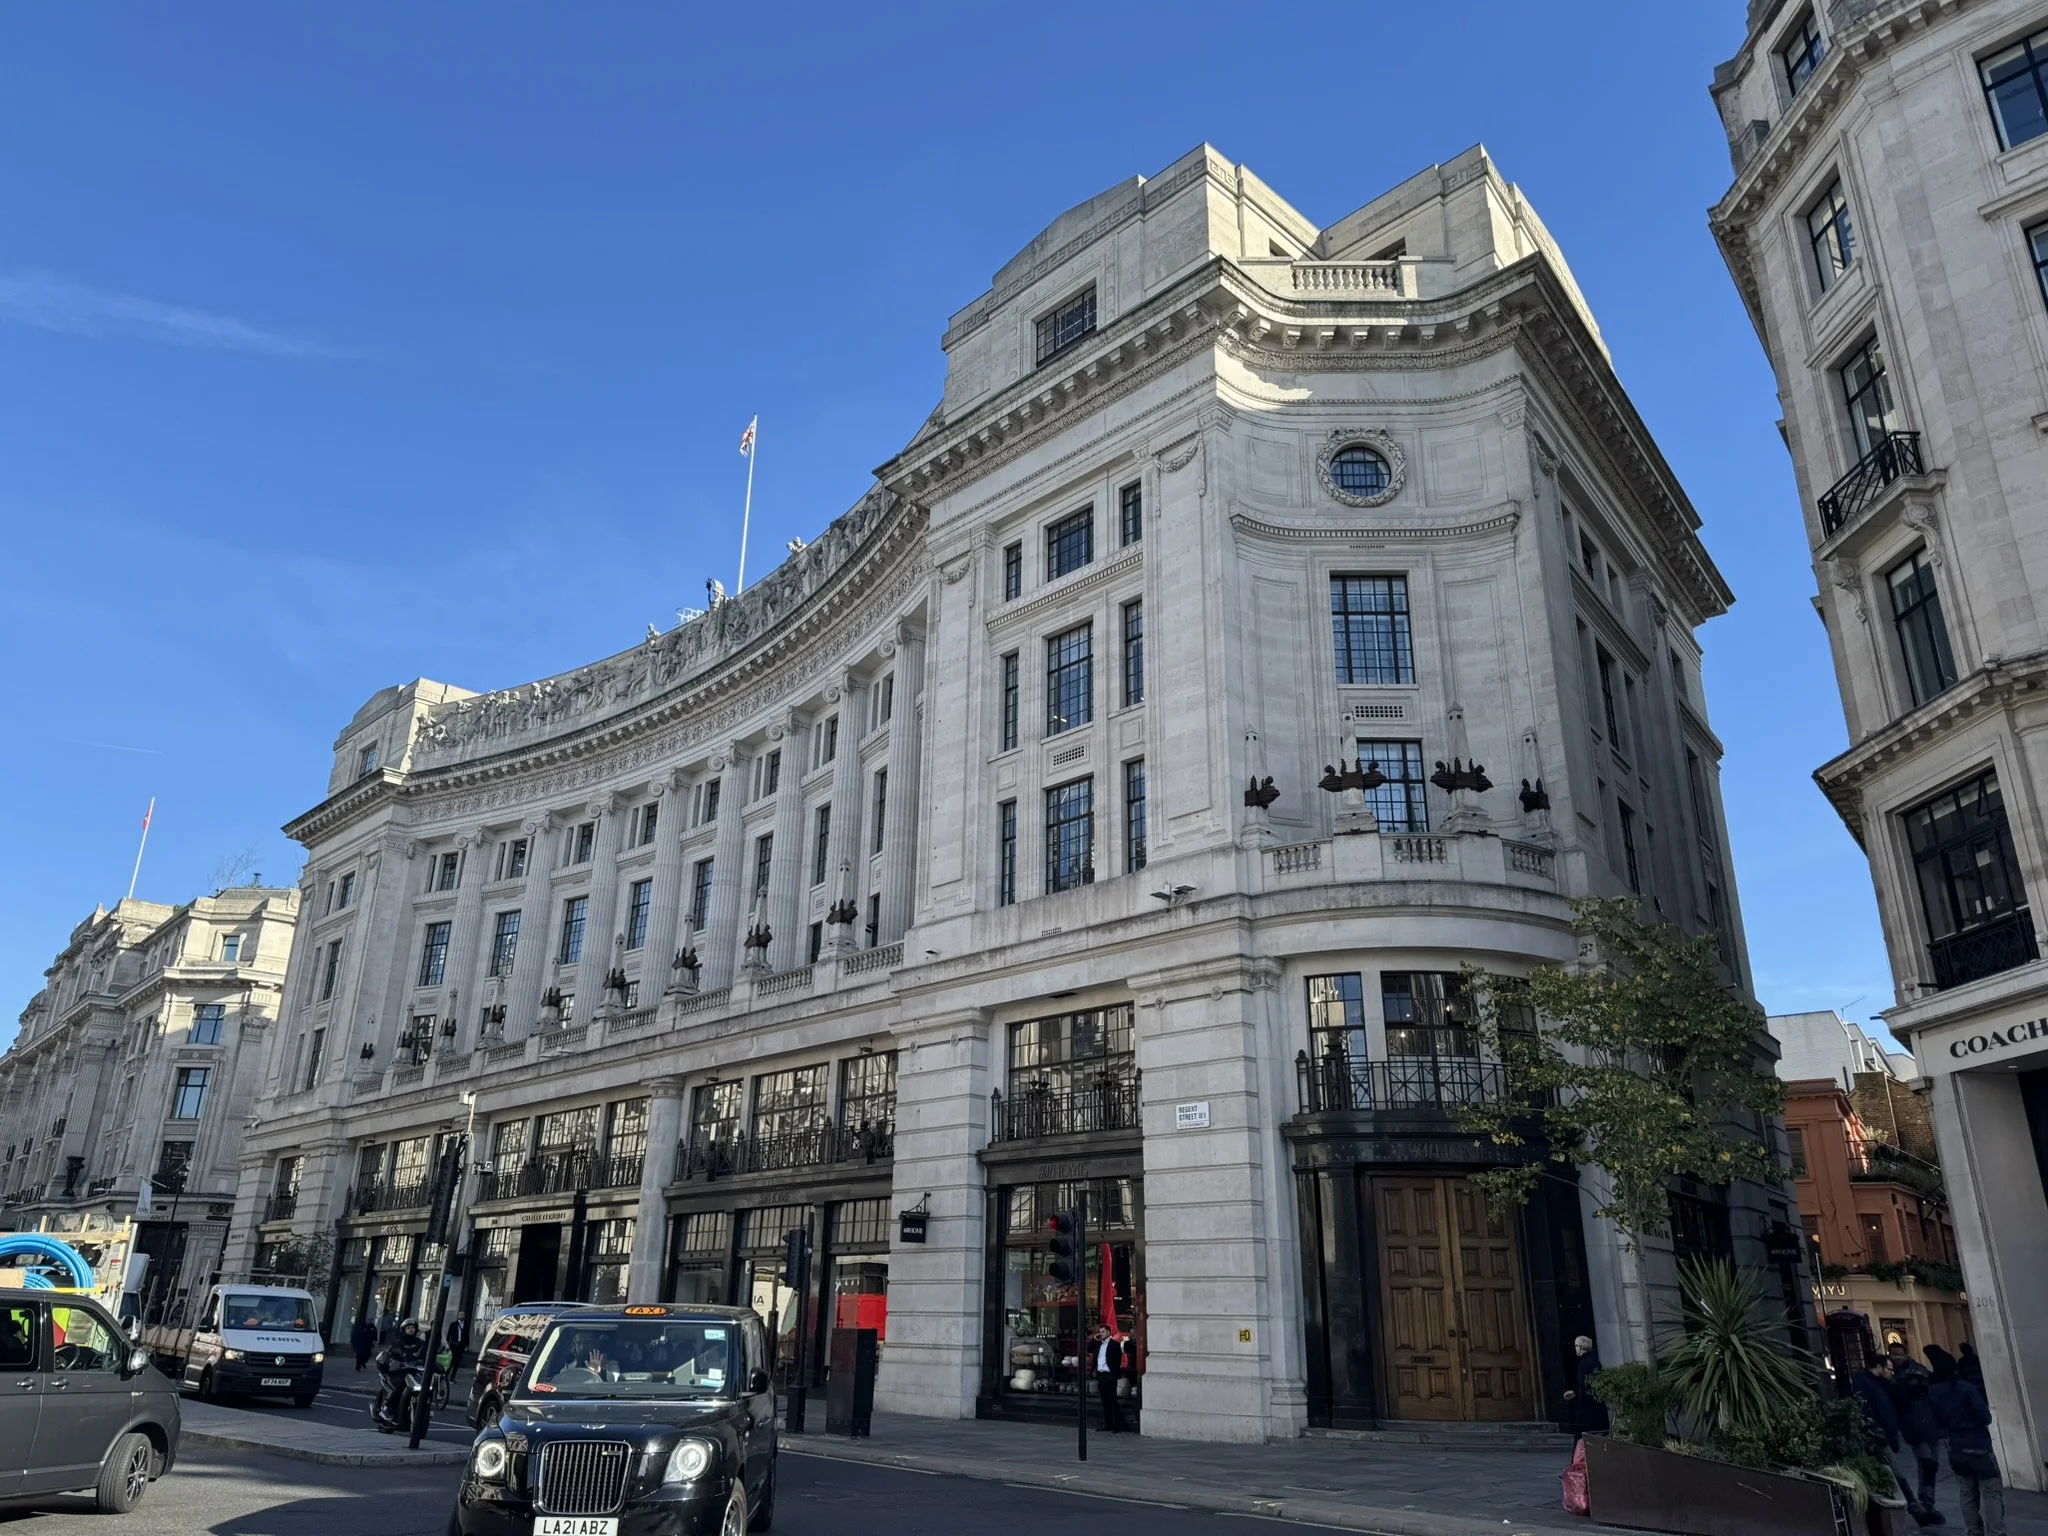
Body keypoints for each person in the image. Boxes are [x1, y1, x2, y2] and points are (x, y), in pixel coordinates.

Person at [1928, 1346, 2004, 1536]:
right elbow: (1985, 1417)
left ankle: (1973, 1531)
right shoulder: (1966, 1388)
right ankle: (1996, 1531)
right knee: (1991, 1492)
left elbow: (1936, 1422)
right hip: (1978, 1445)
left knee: (1967, 1493)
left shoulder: (1933, 1392)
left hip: (1956, 1448)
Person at [1889, 1342, 1944, 1525]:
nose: (1896, 1357)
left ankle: (1928, 1503)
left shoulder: (1917, 1371)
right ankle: (1925, 1503)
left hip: (1928, 1423)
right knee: (1926, 1463)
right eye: (1893, 1354)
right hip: (1913, 1426)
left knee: (1932, 1465)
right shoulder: (1893, 1375)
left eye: (1899, 1354)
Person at [376, 1319, 428, 1427]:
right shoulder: (398, 1342)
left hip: (415, 1371)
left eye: (413, 1328)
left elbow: (426, 1355)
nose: (411, 1330)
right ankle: (387, 1408)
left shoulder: (420, 1343)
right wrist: (399, 1360)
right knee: (401, 1385)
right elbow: (393, 1353)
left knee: (426, 1384)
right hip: (399, 1371)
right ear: (404, 1330)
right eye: (408, 1328)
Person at [1560, 1335, 1608, 1437]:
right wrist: (1575, 1392)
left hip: (1587, 1410)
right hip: (1597, 1407)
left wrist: (1577, 1394)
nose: (1575, 1349)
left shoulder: (1582, 1364)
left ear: (1579, 1347)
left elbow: (1584, 1384)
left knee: (1582, 1439)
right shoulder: (1595, 1361)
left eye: (1576, 1346)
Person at [1090, 1326, 1125, 1433]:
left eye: (1103, 1332)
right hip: (1101, 1374)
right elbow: (1089, 1349)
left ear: (1109, 1332)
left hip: (1110, 1374)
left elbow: (1118, 1359)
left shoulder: (1114, 1344)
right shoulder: (1098, 1344)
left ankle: (1116, 1425)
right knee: (1104, 1401)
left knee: (1112, 1400)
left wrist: (1114, 1372)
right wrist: (1094, 1339)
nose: (1101, 1334)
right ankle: (1107, 1424)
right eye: (1100, 1332)